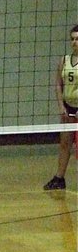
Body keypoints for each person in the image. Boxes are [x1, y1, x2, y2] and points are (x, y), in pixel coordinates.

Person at [43, 24, 78, 190]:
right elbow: (58, 84)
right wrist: (61, 107)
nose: (74, 42)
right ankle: (59, 178)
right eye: (72, 39)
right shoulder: (64, 61)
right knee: (65, 143)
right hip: (69, 109)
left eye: (77, 39)